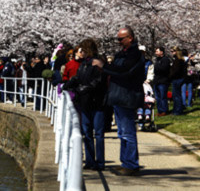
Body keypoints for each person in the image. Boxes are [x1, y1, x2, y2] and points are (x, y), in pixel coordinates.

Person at [99, 26, 144, 176]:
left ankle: (131, 164)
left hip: (127, 96)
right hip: (119, 95)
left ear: (130, 38)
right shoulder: (122, 54)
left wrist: (104, 67)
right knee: (122, 132)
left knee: (128, 132)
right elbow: (118, 69)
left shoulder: (135, 54)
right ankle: (126, 161)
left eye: (121, 39)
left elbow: (126, 72)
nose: (118, 42)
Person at [63, 38, 107, 171]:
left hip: (97, 102)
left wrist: (85, 88)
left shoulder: (97, 63)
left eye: (83, 49)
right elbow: (79, 77)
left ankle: (100, 162)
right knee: (86, 132)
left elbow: (99, 81)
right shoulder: (84, 64)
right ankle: (89, 160)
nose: (81, 52)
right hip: (85, 101)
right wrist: (70, 83)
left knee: (98, 133)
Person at [152, 47, 170, 116]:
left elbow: (164, 69)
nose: (156, 53)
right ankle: (160, 110)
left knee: (163, 96)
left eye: (157, 51)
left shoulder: (165, 60)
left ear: (161, 52)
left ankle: (164, 110)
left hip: (163, 81)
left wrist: (157, 68)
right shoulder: (157, 60)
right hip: (157, 80)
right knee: (158, 97)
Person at [169, 46, 185, 115]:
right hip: (177, 79)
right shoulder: (177, 60)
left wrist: (170, 76)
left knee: (177, 95)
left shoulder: (178, 60)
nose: (172, 53)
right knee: (176, 95)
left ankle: (178, 110)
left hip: (177, 79)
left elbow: (176, 71)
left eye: (173, 51)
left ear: (176, 51)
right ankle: (176, 109)